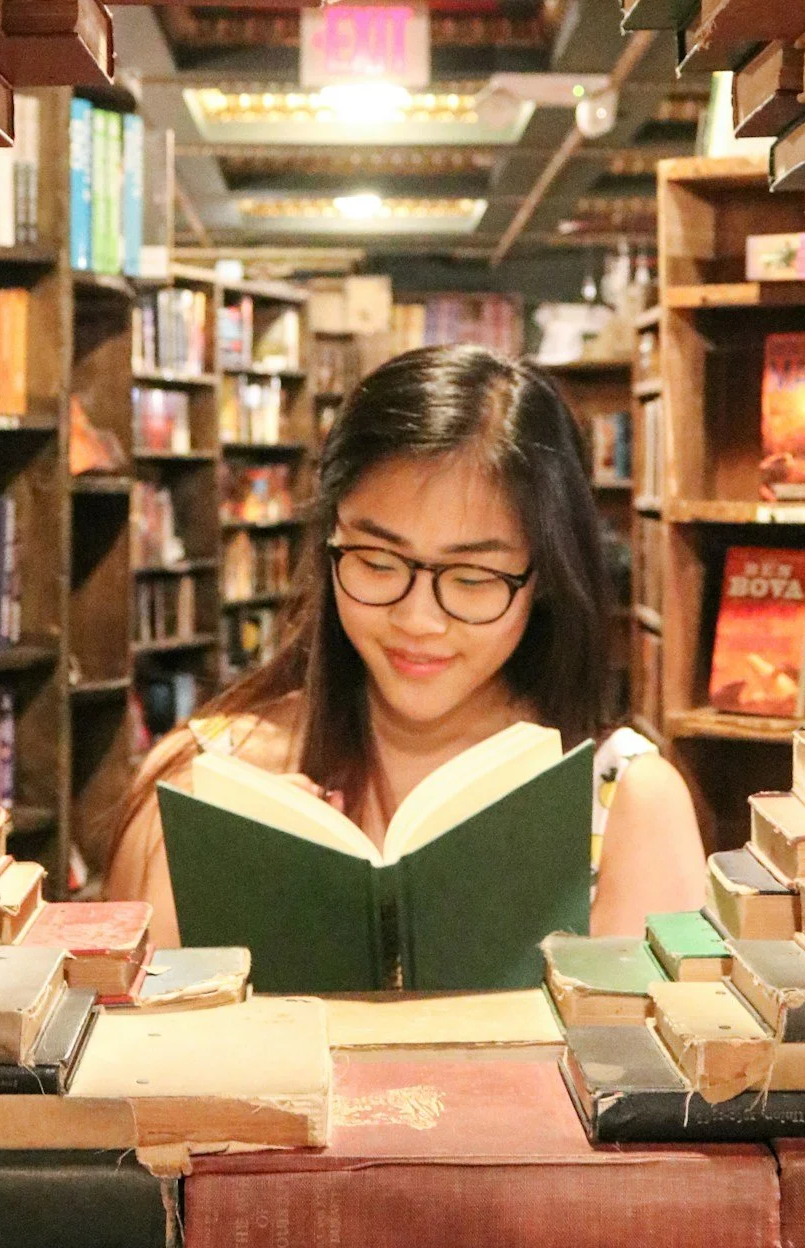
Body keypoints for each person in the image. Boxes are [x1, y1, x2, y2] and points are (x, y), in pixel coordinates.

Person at [108, 345, 708, 942]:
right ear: (329, 544)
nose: (418, 619)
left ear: (546, 576)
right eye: (377, 562)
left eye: (473, 579)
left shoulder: (629, 803)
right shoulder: (209, 776)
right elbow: (146, 1030)